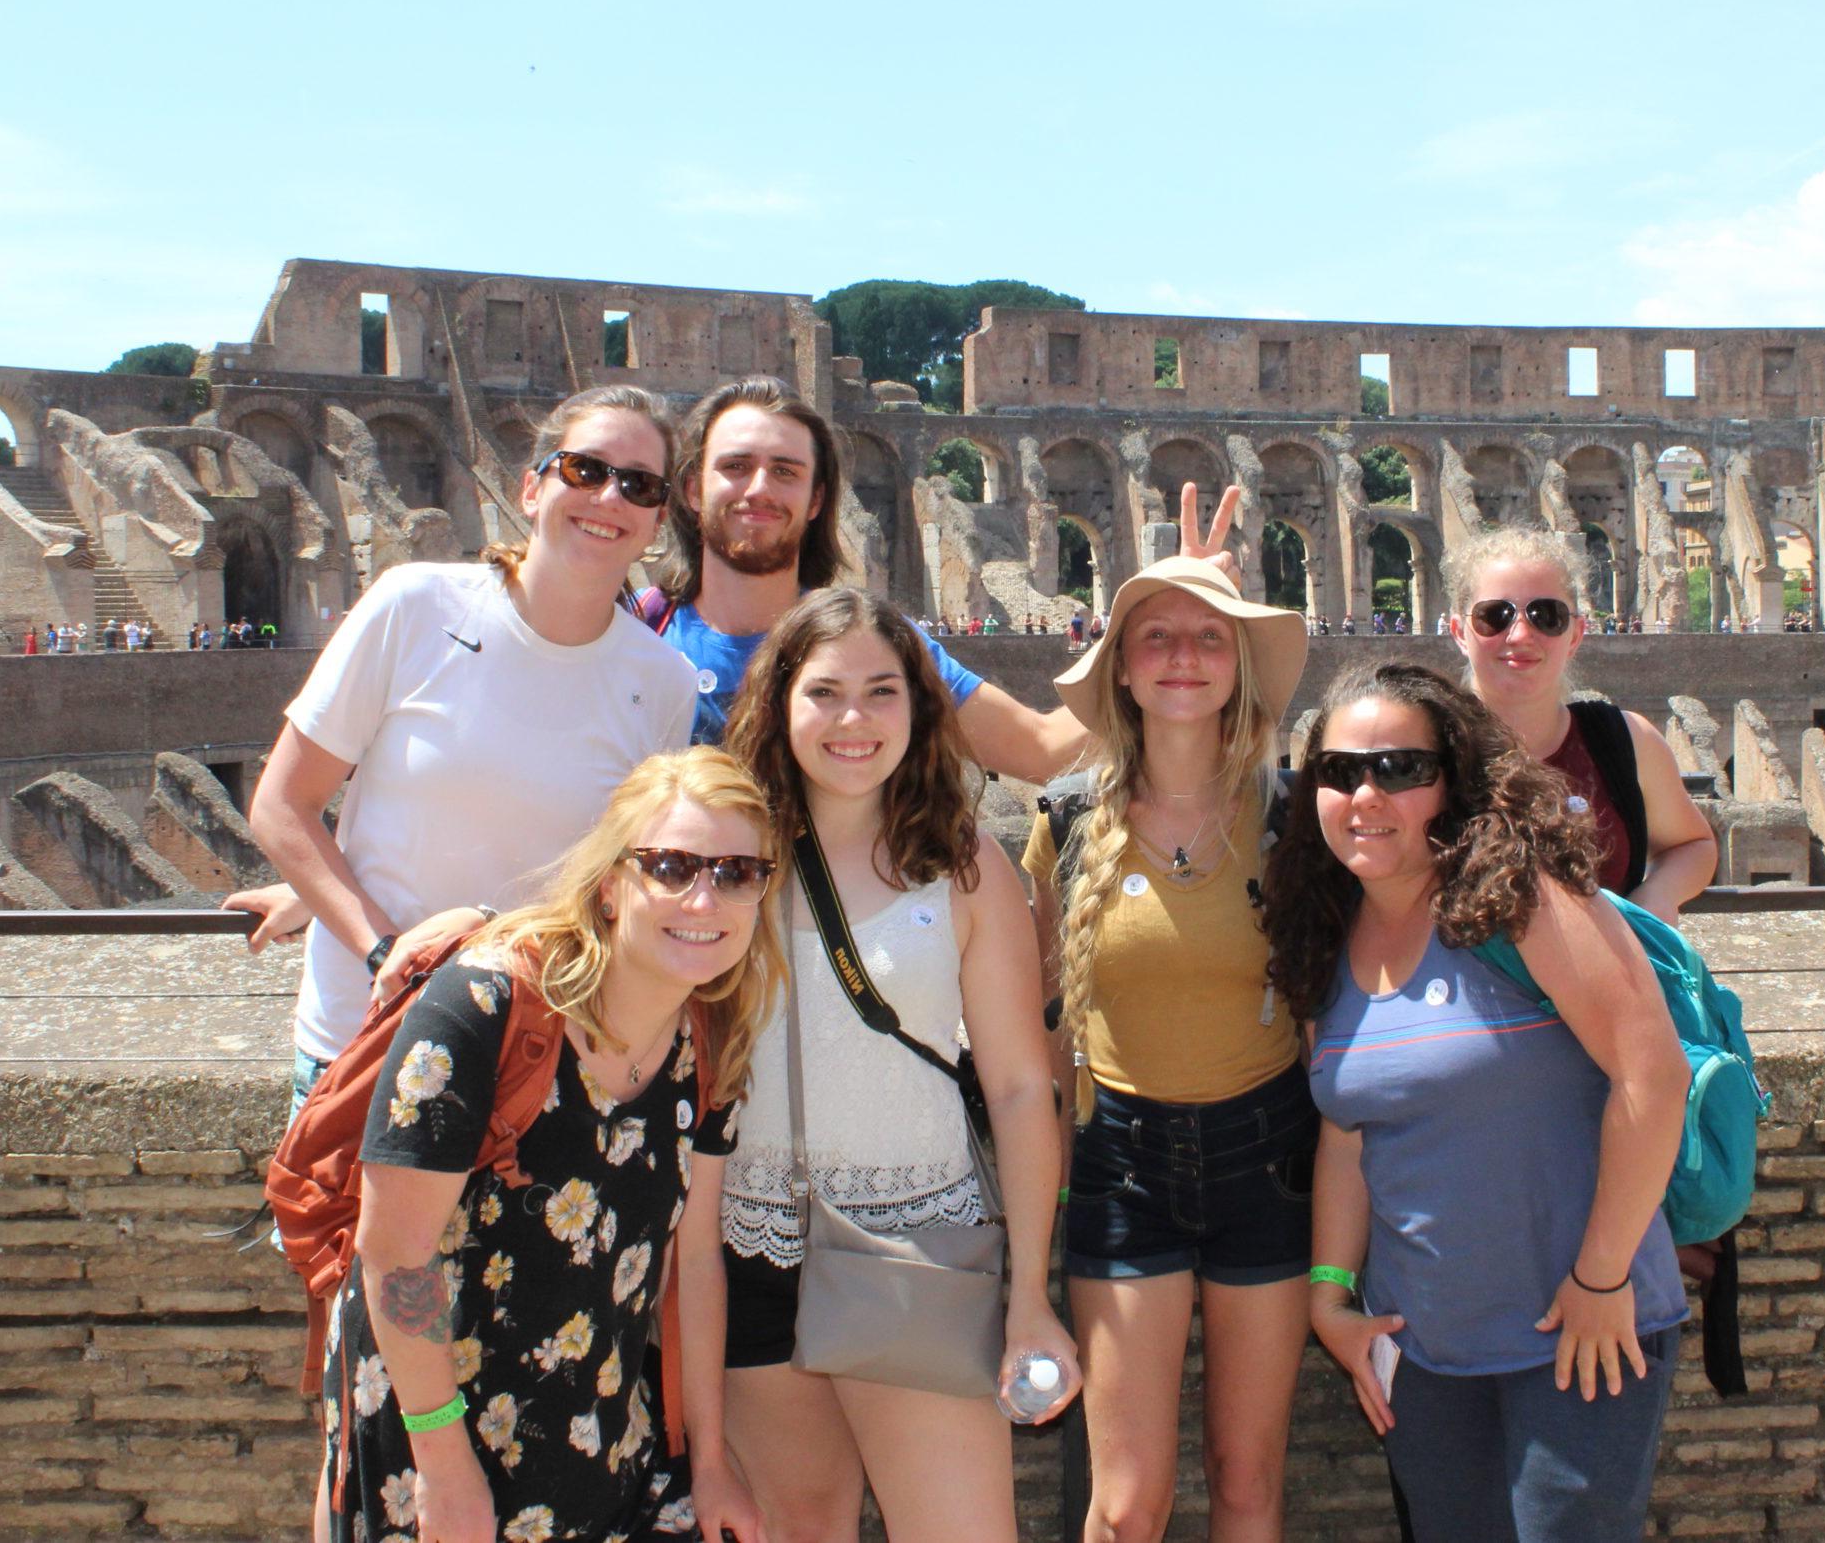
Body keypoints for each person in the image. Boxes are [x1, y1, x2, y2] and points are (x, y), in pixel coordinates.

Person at [1264, 661, 1690, 1543]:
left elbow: (1653, 1075)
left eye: (1400, 769)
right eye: (1340, 772)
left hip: (1577, 1332)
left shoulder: (1520, 898)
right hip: (1424, 1357)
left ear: (1452, 780)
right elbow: (1348, 1130)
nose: (1365, 794)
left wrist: (1603, 1275)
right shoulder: (1327, 934)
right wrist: (1331, 1294)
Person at [321, 745, 782, 1543]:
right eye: (672, 865)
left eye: (738, 871)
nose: (705, 897)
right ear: (611, 885)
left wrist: (710, 1456)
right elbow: (395, 1253)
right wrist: (445, 1466)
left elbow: (694, 1258)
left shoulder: (710, 1032)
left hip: (599, 1439)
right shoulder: (485, 1007)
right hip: (437, 1430)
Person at [227, 384, 700, 1118]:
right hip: (367, 1035)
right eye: (584, 469)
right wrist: (385, 949)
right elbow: (283, 805)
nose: (609, 496)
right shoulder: (414, 605)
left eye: (638, 484)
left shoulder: (662, 680)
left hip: (540, 1050)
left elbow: (622, 870)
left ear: (658, 519)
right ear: (531, 485)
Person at [719, 587, 1078, 1541]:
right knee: (800, 1528)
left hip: (913, 1241)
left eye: (882, 691)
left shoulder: (962, 866)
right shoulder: (721, 858)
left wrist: (1032, 1295)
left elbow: (1016, 1086)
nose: (853, 719)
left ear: (920, 709)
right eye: (825, 691)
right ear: (779, 703)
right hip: (747, 1245)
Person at [1027, 557, 1312, 1542]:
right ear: (1120, 668)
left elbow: (1334, 1021)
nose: (1182, 656)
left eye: (1208, 635)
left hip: (1268, 1155)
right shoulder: (1063, 822)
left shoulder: (1294, 821)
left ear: (1238, 664)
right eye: (1156, 634)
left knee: (1245, 1480)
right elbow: (1039, 1039)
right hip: (1121, 1164)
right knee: (1126, 1502)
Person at [645, 376, 1191, 782]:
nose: (759, 488)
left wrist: (1175, 610)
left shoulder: (878, 644)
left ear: (816, 500)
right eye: (735, 466)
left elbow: (1044, 750)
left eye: (785, 470)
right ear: (692, 489)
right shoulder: (633, 632)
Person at [1452, 529, 1716, 927]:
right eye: (1494, 616)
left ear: (1575, 634)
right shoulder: (1422, 749)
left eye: (1548, 616)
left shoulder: (1627, 741)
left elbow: (1693, 845)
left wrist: (1652, 900)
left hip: (1602, 984)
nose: (1521, 635)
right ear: (1459, 632)